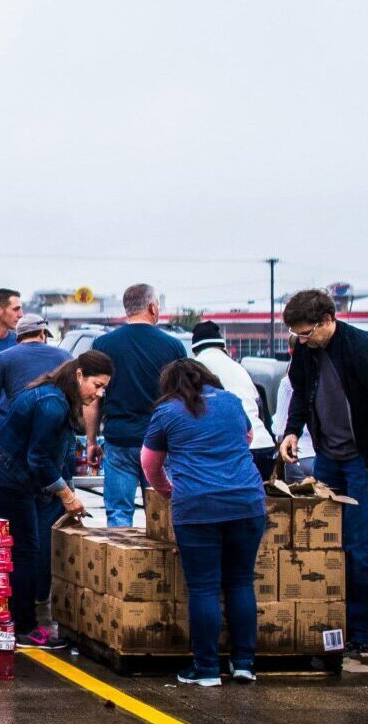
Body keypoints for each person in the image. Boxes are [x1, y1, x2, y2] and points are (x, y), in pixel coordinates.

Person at [276, 288, 368, 659]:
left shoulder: (361, 348)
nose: (302, 340)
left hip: (364, 461)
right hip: (329, 457)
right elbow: (301, 393)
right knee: (324, 546)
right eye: (297, 335)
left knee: (361, 547)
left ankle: (364, 631)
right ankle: (333, 622)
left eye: (307, 332)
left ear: (328, 320)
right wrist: (292, 429)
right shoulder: (306, 351)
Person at [143, 360, 272, 687]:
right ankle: (244, 664)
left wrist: (165, 490)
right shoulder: (231, 401)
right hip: (247, 502)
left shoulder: (168, 412)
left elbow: (149, 462)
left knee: (204, 587)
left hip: (197, 506)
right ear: (208, 377)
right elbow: (247, 437)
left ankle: (207, 669)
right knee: (241, 582)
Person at [0, 350, 109, 649]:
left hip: (7, 477)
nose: (99, 393)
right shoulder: (51, 404)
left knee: (13, 551)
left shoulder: (56, 397)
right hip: (6, 481)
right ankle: (24, 627)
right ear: (78, 375)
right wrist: (66, 494)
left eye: (103, 388)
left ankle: (4, 618)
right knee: (25, 552)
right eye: (97, 385)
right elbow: (39, 459)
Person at [87, 284, 189, 527]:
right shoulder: (173, 347)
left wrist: (91, 441)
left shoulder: (103, 345)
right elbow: (183, 398)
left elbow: (92, 400)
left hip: (119, 440)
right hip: (161, 443)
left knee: (119, 515)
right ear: (152, 307)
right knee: (164, 516)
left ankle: (121, 564)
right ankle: (162, 565)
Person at [189, 321, 274, 480]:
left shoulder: (197, 368)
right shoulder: (238, 368)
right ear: (222, 346)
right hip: (263, 445)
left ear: (195, 349)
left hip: (235, 450)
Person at [0, 314, 67, 435]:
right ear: (42, 333)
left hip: (20, 437)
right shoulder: (66, 357)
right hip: (57, 435)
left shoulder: (3, 358)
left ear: (18, 338)